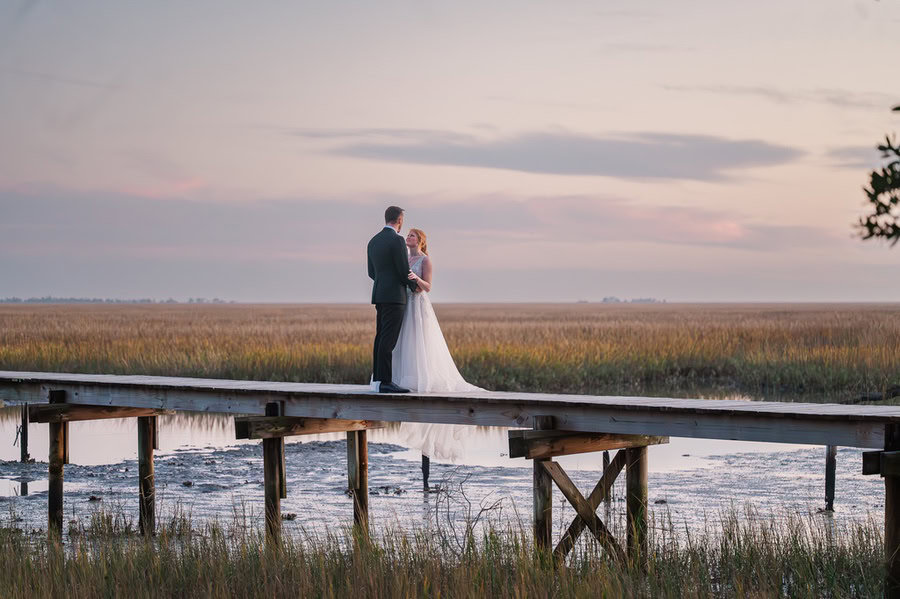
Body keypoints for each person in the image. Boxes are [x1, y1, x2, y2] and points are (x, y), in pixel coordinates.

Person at [391, 227, 483, 463]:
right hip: (403, 303)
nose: (408, 238)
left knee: (420, 341)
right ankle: (406, 379)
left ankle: (424, 378)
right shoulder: (404, 258)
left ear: (419, 240)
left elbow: (428, 287)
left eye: (411, 235)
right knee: (405, 341)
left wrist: (415, 278)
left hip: (418, 304)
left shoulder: (425, 260)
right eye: (407, 235)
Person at [367, 206, 418, 393]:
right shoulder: (396, 240)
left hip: (379, 294)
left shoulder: (373, 241)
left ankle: (378, 379)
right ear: (399, 220)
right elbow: (403, 270)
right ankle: (386, 382)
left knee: (380, 337)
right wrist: (414, 286)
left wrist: (384, 282)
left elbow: (371, 272)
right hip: (395, 296)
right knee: (389, 340)